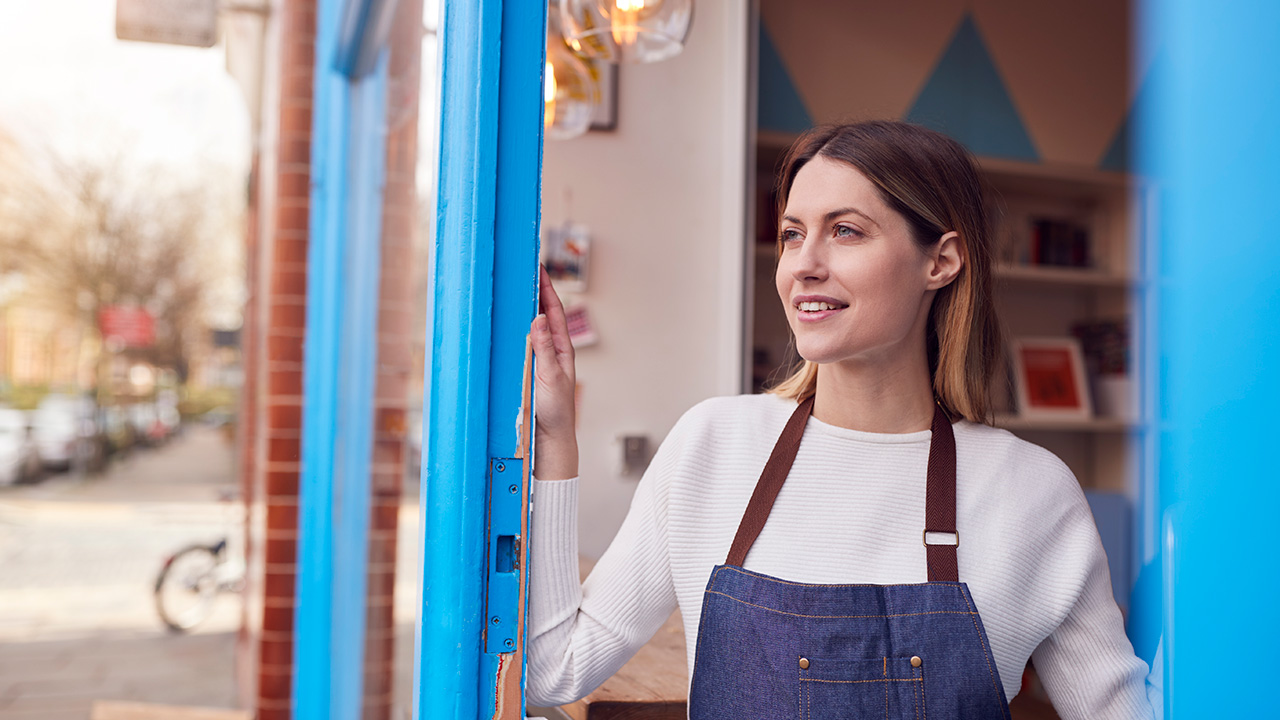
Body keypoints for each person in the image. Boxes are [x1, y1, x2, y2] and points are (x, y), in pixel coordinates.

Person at [525, 121, 1154, 719]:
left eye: (846, 231)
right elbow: (553, 671)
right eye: (793, 233)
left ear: (941, 261)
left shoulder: (1030, 490)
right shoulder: (711, 446)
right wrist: (556, 441)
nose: (804, 264)